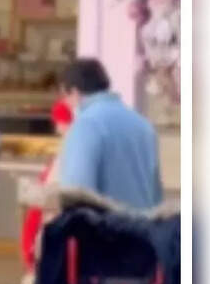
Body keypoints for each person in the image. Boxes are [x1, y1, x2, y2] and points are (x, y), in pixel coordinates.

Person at [57, 58, 163, 210]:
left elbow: (76, 195)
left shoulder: (85, 126)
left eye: (64, 97)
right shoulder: (143, 125)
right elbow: (155, 194)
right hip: (143, 228)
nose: (66, 104)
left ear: (74, 92)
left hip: (104, 229)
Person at [10, 98, 72, 284]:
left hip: (49, 244)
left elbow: (49, 198)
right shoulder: (68, 152)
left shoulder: (69, 154)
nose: (57, 130)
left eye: (60, 124)